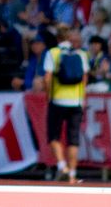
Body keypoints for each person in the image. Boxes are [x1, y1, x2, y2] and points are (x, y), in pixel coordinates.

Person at [43, 28, 88, 184]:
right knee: (73, 138)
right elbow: (84, 78)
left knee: (53, 136)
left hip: (58, 100)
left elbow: (47, 78)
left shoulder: (53, 53)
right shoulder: (81, 54)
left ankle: (62, 166)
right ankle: (73, 175)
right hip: (76, 102)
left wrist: (48, 95)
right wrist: (82, 98)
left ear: (57, 38)